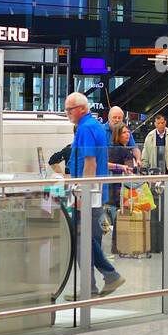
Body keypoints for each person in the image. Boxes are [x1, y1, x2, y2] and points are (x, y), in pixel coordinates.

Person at [65, 92, 125, 296]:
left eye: (69, 109)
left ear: (81, 108)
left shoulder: (87, 128)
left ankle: (109, 275)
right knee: (85, 239)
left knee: (84, 238)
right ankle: (90, 285)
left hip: (89, 194)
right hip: (92, 192)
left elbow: (90, 162)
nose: (67, 113)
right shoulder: (91, 126)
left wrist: (81, 193)